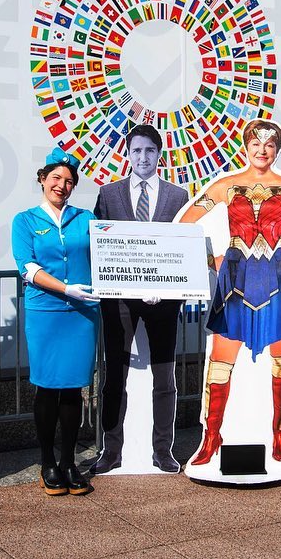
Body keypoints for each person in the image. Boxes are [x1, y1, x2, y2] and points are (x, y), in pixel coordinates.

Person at [179, 119, 281, 467]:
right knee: (221, 358)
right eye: (255, 144)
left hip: (277, 276)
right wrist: (210, 258)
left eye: (269, 145)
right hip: (235, 276)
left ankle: (280, 435)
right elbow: (184, 224)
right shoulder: (225, 186)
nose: (262, 150)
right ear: (245, 146)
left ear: (276, 149)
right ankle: (211, 436)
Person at [91, 125, 190, 474]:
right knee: (114, 377)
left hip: (163, 301)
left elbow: (183, 247)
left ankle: (163, 450)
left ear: (159, 154)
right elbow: (99, 245)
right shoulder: (108, 194)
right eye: (136, 150)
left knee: (164, 377)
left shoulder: (177, 196)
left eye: (149, 150)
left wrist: (171, 287)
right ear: (128, 154)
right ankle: (110, 451)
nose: (143, 157)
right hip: (119, 301)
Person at [11, 147, 101, 496]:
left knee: (75, 388)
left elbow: (110, 254)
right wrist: (66, 289)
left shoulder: (86, 218)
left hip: (81, 315)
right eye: (56, 178)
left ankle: (68, 462)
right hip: (45, 313)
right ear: (42, 179)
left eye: (68, 181)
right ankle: (47, 462)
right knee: (48, 387)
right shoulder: (25, 221)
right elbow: (28, 268)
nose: (61, 186)